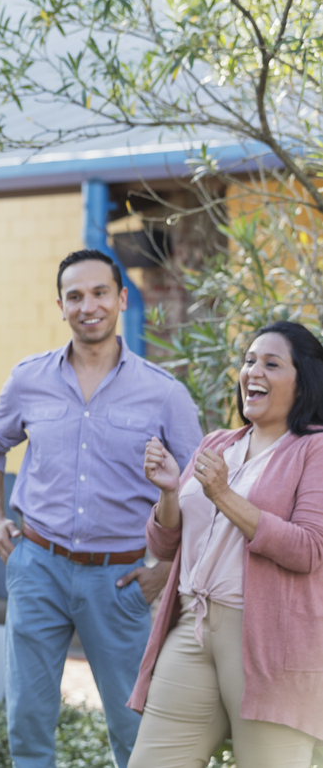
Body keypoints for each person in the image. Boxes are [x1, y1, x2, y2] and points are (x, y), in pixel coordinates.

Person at [0, 249, 203, 768]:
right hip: (37, 567)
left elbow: (202, 491)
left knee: (134, 727)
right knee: (28, 720)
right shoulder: (29, 379)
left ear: (121, 299)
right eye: (75, 296)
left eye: (99, 293)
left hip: (121, 580)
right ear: (61, 305)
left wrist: (166, 569)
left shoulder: (164, 394)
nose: (88, 305)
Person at [129, 321, 323, 767]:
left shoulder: (313, 450)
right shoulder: (219, 444)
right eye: (249, 360)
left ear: (303, 380)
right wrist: (168, 492)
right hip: (192, 626)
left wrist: (223, 495)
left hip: (269, 642)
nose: (253, 371)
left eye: (271, 364)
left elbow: (308, 549)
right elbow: (163, 545)